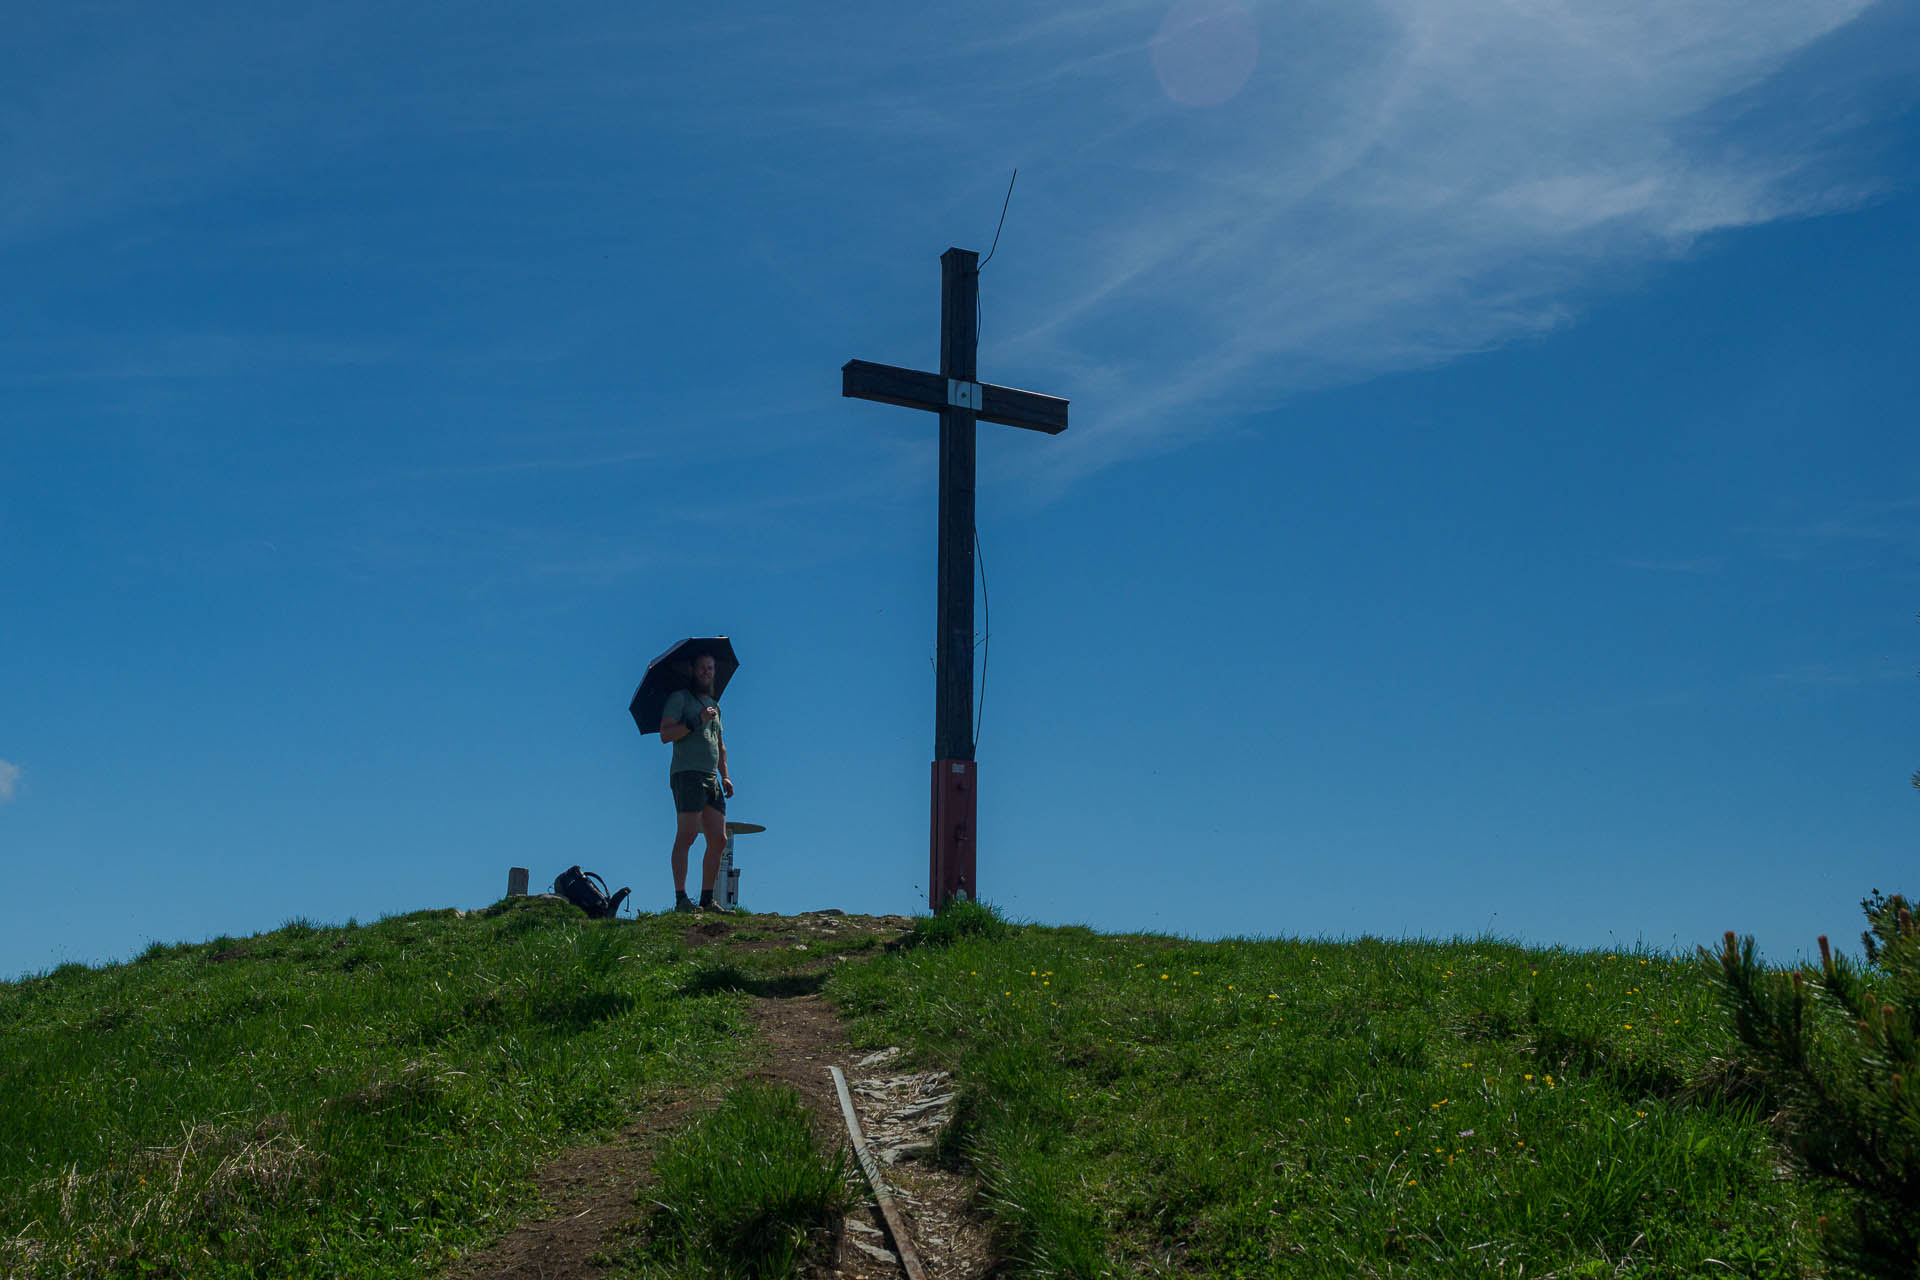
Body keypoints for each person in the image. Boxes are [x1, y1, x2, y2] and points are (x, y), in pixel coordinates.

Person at [658, 651, 734, 912]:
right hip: (687, 773)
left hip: (711, 777)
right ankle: (681, 898)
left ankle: (706, 899)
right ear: (692, 670)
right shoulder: (680, 699)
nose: (706, 672)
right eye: (701, 667)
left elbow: (720, 744)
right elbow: (665, 734)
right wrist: (695, 720)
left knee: (719, 839)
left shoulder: (715, 705)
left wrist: (725, 774)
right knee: (688, 834)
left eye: (710, 668)